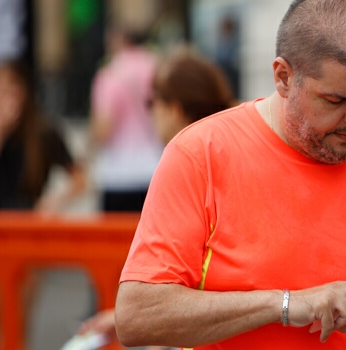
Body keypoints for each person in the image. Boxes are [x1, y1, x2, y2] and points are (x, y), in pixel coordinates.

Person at [114, 0, 346, 349]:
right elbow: (135, 317)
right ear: (283, 78)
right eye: (336, 99)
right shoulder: (200, 153)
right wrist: (285, 304)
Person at [75, 50, 236, 348]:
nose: (149, 112)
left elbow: (180, 280)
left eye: (151, 102)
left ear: (174, 109)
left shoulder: (187, 167)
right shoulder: (233, 154)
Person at [0, 59, 87, 350]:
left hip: (23, 238)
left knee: (15, 327)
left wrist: (52, 202)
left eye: (11, 88)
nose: (3, 97)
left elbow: (79, 178)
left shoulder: (42, 135)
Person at [89, 24, 162, 212]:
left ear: (121, 40)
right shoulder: (157, 68)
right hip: (154, 168)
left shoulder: (110, 72)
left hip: (118, 173)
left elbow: (103, 128)